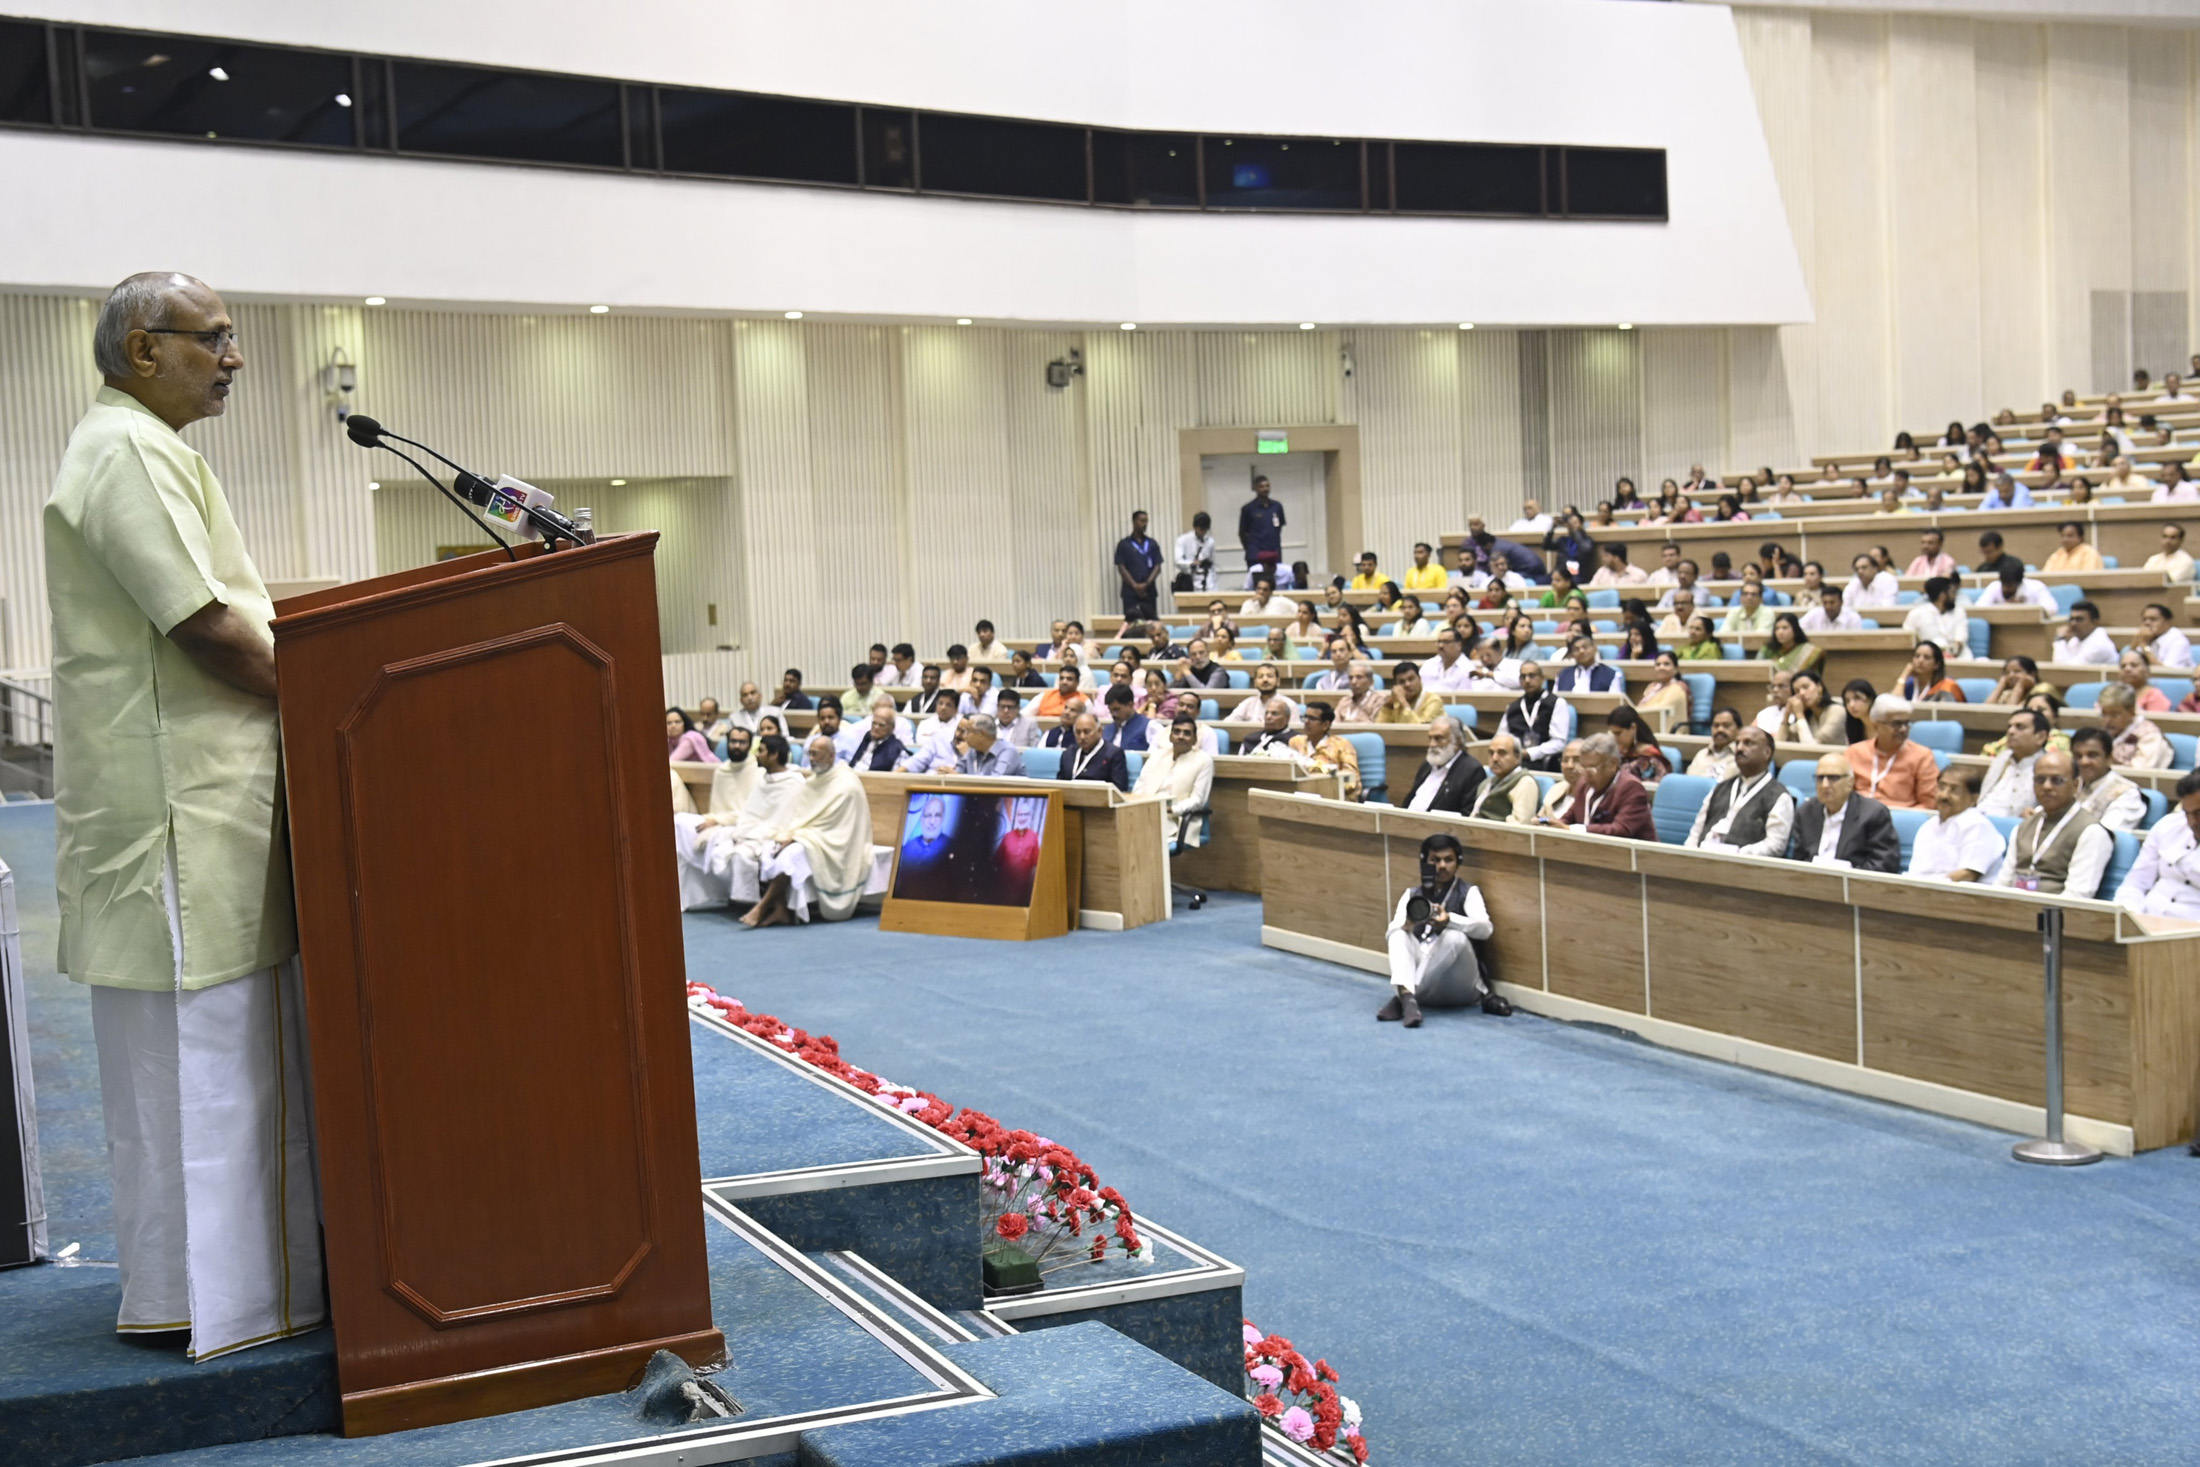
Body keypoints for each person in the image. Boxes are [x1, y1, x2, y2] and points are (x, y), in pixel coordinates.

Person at [44, 270, 330, 1359]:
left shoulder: (151, 448)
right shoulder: (122, 450)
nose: (235, 355)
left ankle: (230, 1291)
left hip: (207, 802)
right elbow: (206, 627)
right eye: (212, 336)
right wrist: (329, 699)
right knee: (203, 1064)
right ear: (143, 349)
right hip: (176, 812)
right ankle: (212, 1301)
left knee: (228, 1066)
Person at [739, 738, 874, 928]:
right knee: (771, 847)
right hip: (810, 836)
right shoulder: (813, 782)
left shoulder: (847, 785)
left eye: (816, 754)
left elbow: (837, 826)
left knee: (790, 856)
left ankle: (761, 907)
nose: (811, 759)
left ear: (831, 756)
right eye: (809, 753)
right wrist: (791, 835)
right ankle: (780, 910)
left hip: (836, 843)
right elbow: (801, 816)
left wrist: (796, 837)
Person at [1379, 833, 1507, 1028]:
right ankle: (1409, 999)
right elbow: (1390, 934)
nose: (1442, 866)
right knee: (1397, 934)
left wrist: (1451, 921)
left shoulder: (1468, 892)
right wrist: (1407, 924)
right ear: (1424, 863)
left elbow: (1485, 930)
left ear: (1458, 862)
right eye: (1435, 860)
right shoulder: (1412, 894)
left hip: (1461, 983)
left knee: (1454, 937)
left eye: (1448, 860)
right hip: (1429, 982)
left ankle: (1403, 997)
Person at [679, 732, 807, 911]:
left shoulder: (794, 783)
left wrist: (751, 836)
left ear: (774, 755)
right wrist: (742, 833)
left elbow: (782, 821)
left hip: (770, 837)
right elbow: (750, 813)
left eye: (761, 751)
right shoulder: (764, 780)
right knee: (717, 848)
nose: (756, 755)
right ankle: (722, 896)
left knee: (740, 855)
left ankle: (749, 902)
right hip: (748, 832)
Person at [1991, 750, 2110, 898]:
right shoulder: (2023, 827)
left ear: (2075, 785)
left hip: (2053, 916)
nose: (2047, 786)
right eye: (2040, 780)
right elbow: (2002, 883)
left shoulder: (2091, 831)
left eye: (2057, 780)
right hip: (2011, 911)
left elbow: (2077, 896)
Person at [1683, 726, 1793, 856]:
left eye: (1748, 743)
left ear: (1766, 753)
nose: (1739, 748)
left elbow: (1775, 845)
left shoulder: (1779, 796)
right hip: (1703, 859)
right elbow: (1696, 832)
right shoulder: (1720, 787)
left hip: (1743, 867)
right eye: (1737, 743)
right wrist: (1690, 854)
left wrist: (1737, 854)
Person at [1787, 754, 1902, 872]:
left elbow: (1884, 865)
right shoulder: (1806, 812)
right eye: (1820, 778)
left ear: (1850, 782)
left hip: (1854, 886)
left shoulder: (1873, 814)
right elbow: (1799, 860)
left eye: (1833, 778)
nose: (1825, 785)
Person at [2114, 771, 2200, 920]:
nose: (2192, 822)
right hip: (2148, 920)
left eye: (2199, 813)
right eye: (2187, 813)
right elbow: (2136, 882)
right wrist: (2130, 915)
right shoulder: (2168, 826)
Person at [1544, 732, 1655, 840]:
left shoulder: (1631, 788)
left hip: (1635, 856)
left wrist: (1574, 829)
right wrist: (1547, 823)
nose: (1586, 774)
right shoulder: (1584, 784)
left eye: (1592, 768)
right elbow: (1569, 817)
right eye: (1583, 766)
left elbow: (1621, 830)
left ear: (1612, 764)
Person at [1908, 768, 2004, 883]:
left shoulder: (1977, 825)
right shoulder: (1928, 826)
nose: (1944, 795)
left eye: (1954, 790)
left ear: (1973, 799)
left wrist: (1927, 886)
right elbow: (1915, 872)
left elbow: (1968, 875)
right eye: (1941, 787)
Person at [1135, 713, 1215, 844]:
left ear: (1195, 739)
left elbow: (1198, 800)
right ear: (1170, 736)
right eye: (1176, 732)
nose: (1181, 737)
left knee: (1140, 837)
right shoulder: (1157, 755)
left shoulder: (1204, 760)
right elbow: (1140, 786)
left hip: (1177, 819)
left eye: (1187, 733)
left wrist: (1171, 810)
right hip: (1146, 812)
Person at [1847, 695, 1938, 810]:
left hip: (1899, 820)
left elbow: (1929, 804)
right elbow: (1841, 794)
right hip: (1857, 817)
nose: (1903, 729)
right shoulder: (1854, 752)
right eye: (1896, 724)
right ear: (1876, 725)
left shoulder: (1922, 756)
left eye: (1907, 723)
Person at [1401, 716, 1484, 813]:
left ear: (1457, 741)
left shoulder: (1472, 771)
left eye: (1438, 738)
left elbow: (1466, 816)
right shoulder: (1427, 764)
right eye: (1430, 738)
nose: (1432, 744)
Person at [2069, 727, 2147, 831]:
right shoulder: (2070, 786)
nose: (2084, 762)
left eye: (2092, 755)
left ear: (2109, 757)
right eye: (2078, 756)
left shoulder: (2127, 793)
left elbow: (2106, 833)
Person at [1501, 662, 1574, 771]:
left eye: (1532, 676)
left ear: (1542, 678)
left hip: (1543, 761)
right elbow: (1501, 737)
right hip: (1514, 762)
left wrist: (1529, 753)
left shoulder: (1556, 703)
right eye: (1523, 677)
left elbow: (1559, 743)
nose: (1527, 680)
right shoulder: (1512, 707)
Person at [1978, 710, 2051, 818]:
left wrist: (2036, 813)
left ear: (2040, 737)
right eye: (2009, 727)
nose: (2011, 731)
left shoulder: (2049, 765)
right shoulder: (2002, 758)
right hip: (1982, 820)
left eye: (2020, 727)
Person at [1289, 700, 1362, 800]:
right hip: (1299, 794)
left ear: (1325, 725)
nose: (1306, 722)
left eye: (1312, 719)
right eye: (1305, 717)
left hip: (1332, 796)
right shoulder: (1296, 742)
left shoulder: (1341, 744)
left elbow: (1352, 777)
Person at [1468, 732, 1540, 824]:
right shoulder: (1486, 783)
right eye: (1491, 753)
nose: (1494, 758)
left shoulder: (1525, 783)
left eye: (1502, 753)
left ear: (1517, 757)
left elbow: (1520, 826)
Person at [2100, 682, 2174, 769]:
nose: (2107, 720)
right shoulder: (2104, 733)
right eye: (2104, 714)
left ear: (2132, 712)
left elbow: (2140, 774)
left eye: (2114, 715)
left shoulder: (2150, 736)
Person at [1901, 577, 1970, 658]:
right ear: (1942, 595)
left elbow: (1960, 638)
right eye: (1952, 593)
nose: (1954, 597)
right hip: (1928, 660)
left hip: (1958, 657)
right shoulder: (1916, 614)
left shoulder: (1959, 612)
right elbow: (1908, 638)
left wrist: (1951, 652)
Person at [1238, 475, 1286, 584]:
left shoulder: (1277, 506)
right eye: (1261, 486)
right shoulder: (1248, 509)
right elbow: (1242, 533)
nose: (1265, 489)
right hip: (1256, 553)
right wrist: (1250, 548)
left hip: (1274, 552)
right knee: (1258, 584)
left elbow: (1279, 528)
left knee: (1275, 583)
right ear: (1255, 488)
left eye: (1267, 486)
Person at [1606, 705, 1671, 782]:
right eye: (1613, 734)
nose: (1615, 738)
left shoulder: (1649, 758)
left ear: (1633, 728)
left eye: (1618, 733)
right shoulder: (1618, 754)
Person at [1226, 662, 1300, 727]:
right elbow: (1228, 723)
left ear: (1278, 681)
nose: (1265, 680)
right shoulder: (1248, 703)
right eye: (1260, 677)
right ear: (1255, 682)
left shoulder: (1290, 705)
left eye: (1269, 676)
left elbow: (1296, 733)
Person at [1634, 650, 1691, 734]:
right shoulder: (1652, 687)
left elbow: (1659, 710)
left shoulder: (1677, 688)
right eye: (1658, 665)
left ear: (1676, 669)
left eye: (1666, 664)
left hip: (1669, 732)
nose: (1661, 667)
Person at [1973, 560, 2057, 613]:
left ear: (2019, 582)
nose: (2005, 588)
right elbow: (1978, 609)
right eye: (2004, 584)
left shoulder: (2036, 587)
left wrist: (2024, 607)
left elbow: (2052, 609)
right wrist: (2005, 607)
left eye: (2009, 585)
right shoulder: (1994, 587)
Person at [2053, 600, 2118, 665]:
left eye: (2079, 619)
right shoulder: (2076, 639)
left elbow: (2066, 671)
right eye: (2071, 619)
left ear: (2095, 622)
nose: (2073, 623)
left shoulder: (2099, 645)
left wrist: (2060, 640)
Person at [1378, 660, 1444, 724]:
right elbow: (1381, 729)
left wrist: (1404, 703)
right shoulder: (1396, 703)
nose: (1407, 684)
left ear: (1419, 678)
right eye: (1402, 682)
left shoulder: (1434, 701)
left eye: (1411, 679)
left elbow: (1420, 731)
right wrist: (1389, 705)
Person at [1688, 707, 1744, 780]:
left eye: (1726, 725)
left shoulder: (1742, 756)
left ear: (1739, 730)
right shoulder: (1701, 754)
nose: (1720, 729)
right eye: (1716, 725)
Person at [1555, 634, 1622, 694]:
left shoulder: (1612, 675)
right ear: (1572, 655)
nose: (1581, 651)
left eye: (1585, 647)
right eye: (1576, 649)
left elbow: (1614, 702)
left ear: (1595, 648)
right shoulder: (1562, 675)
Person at [2133, 603, 2194, 669]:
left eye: (2153, 619)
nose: (2147, 623)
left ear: (2168, 622)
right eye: (2144, 619)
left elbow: (2167, 673)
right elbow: (2130, 662)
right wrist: (2137, 640)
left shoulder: (2178, 641)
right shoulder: (2147, 637)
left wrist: (2144, 646)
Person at [1899, 642, 1964, 703]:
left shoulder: (1947, 686)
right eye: (1917, 656)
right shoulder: (1910, 683)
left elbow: (1948, 713)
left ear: (1937, 664)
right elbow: (1893, 705)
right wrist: (1904, 675)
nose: (1920, 660)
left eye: (1927, 657)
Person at [1097, 684, 1152, 752]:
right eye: (1110, 710)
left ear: (1130, 705)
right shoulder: (1106, 730)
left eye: (1116, 709)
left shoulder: (1149, 726)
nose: (1113, 714)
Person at [1175, 511, 1217, 592]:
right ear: (1195, 526)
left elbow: (1212, 564)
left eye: (1205, 529)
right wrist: (1191, 563)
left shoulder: (1210, 542)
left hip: (1207, 580)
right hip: (1189, 580)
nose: (1203, 532)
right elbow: (1177, 561)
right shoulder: (1183, 540)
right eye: (1201, 529)